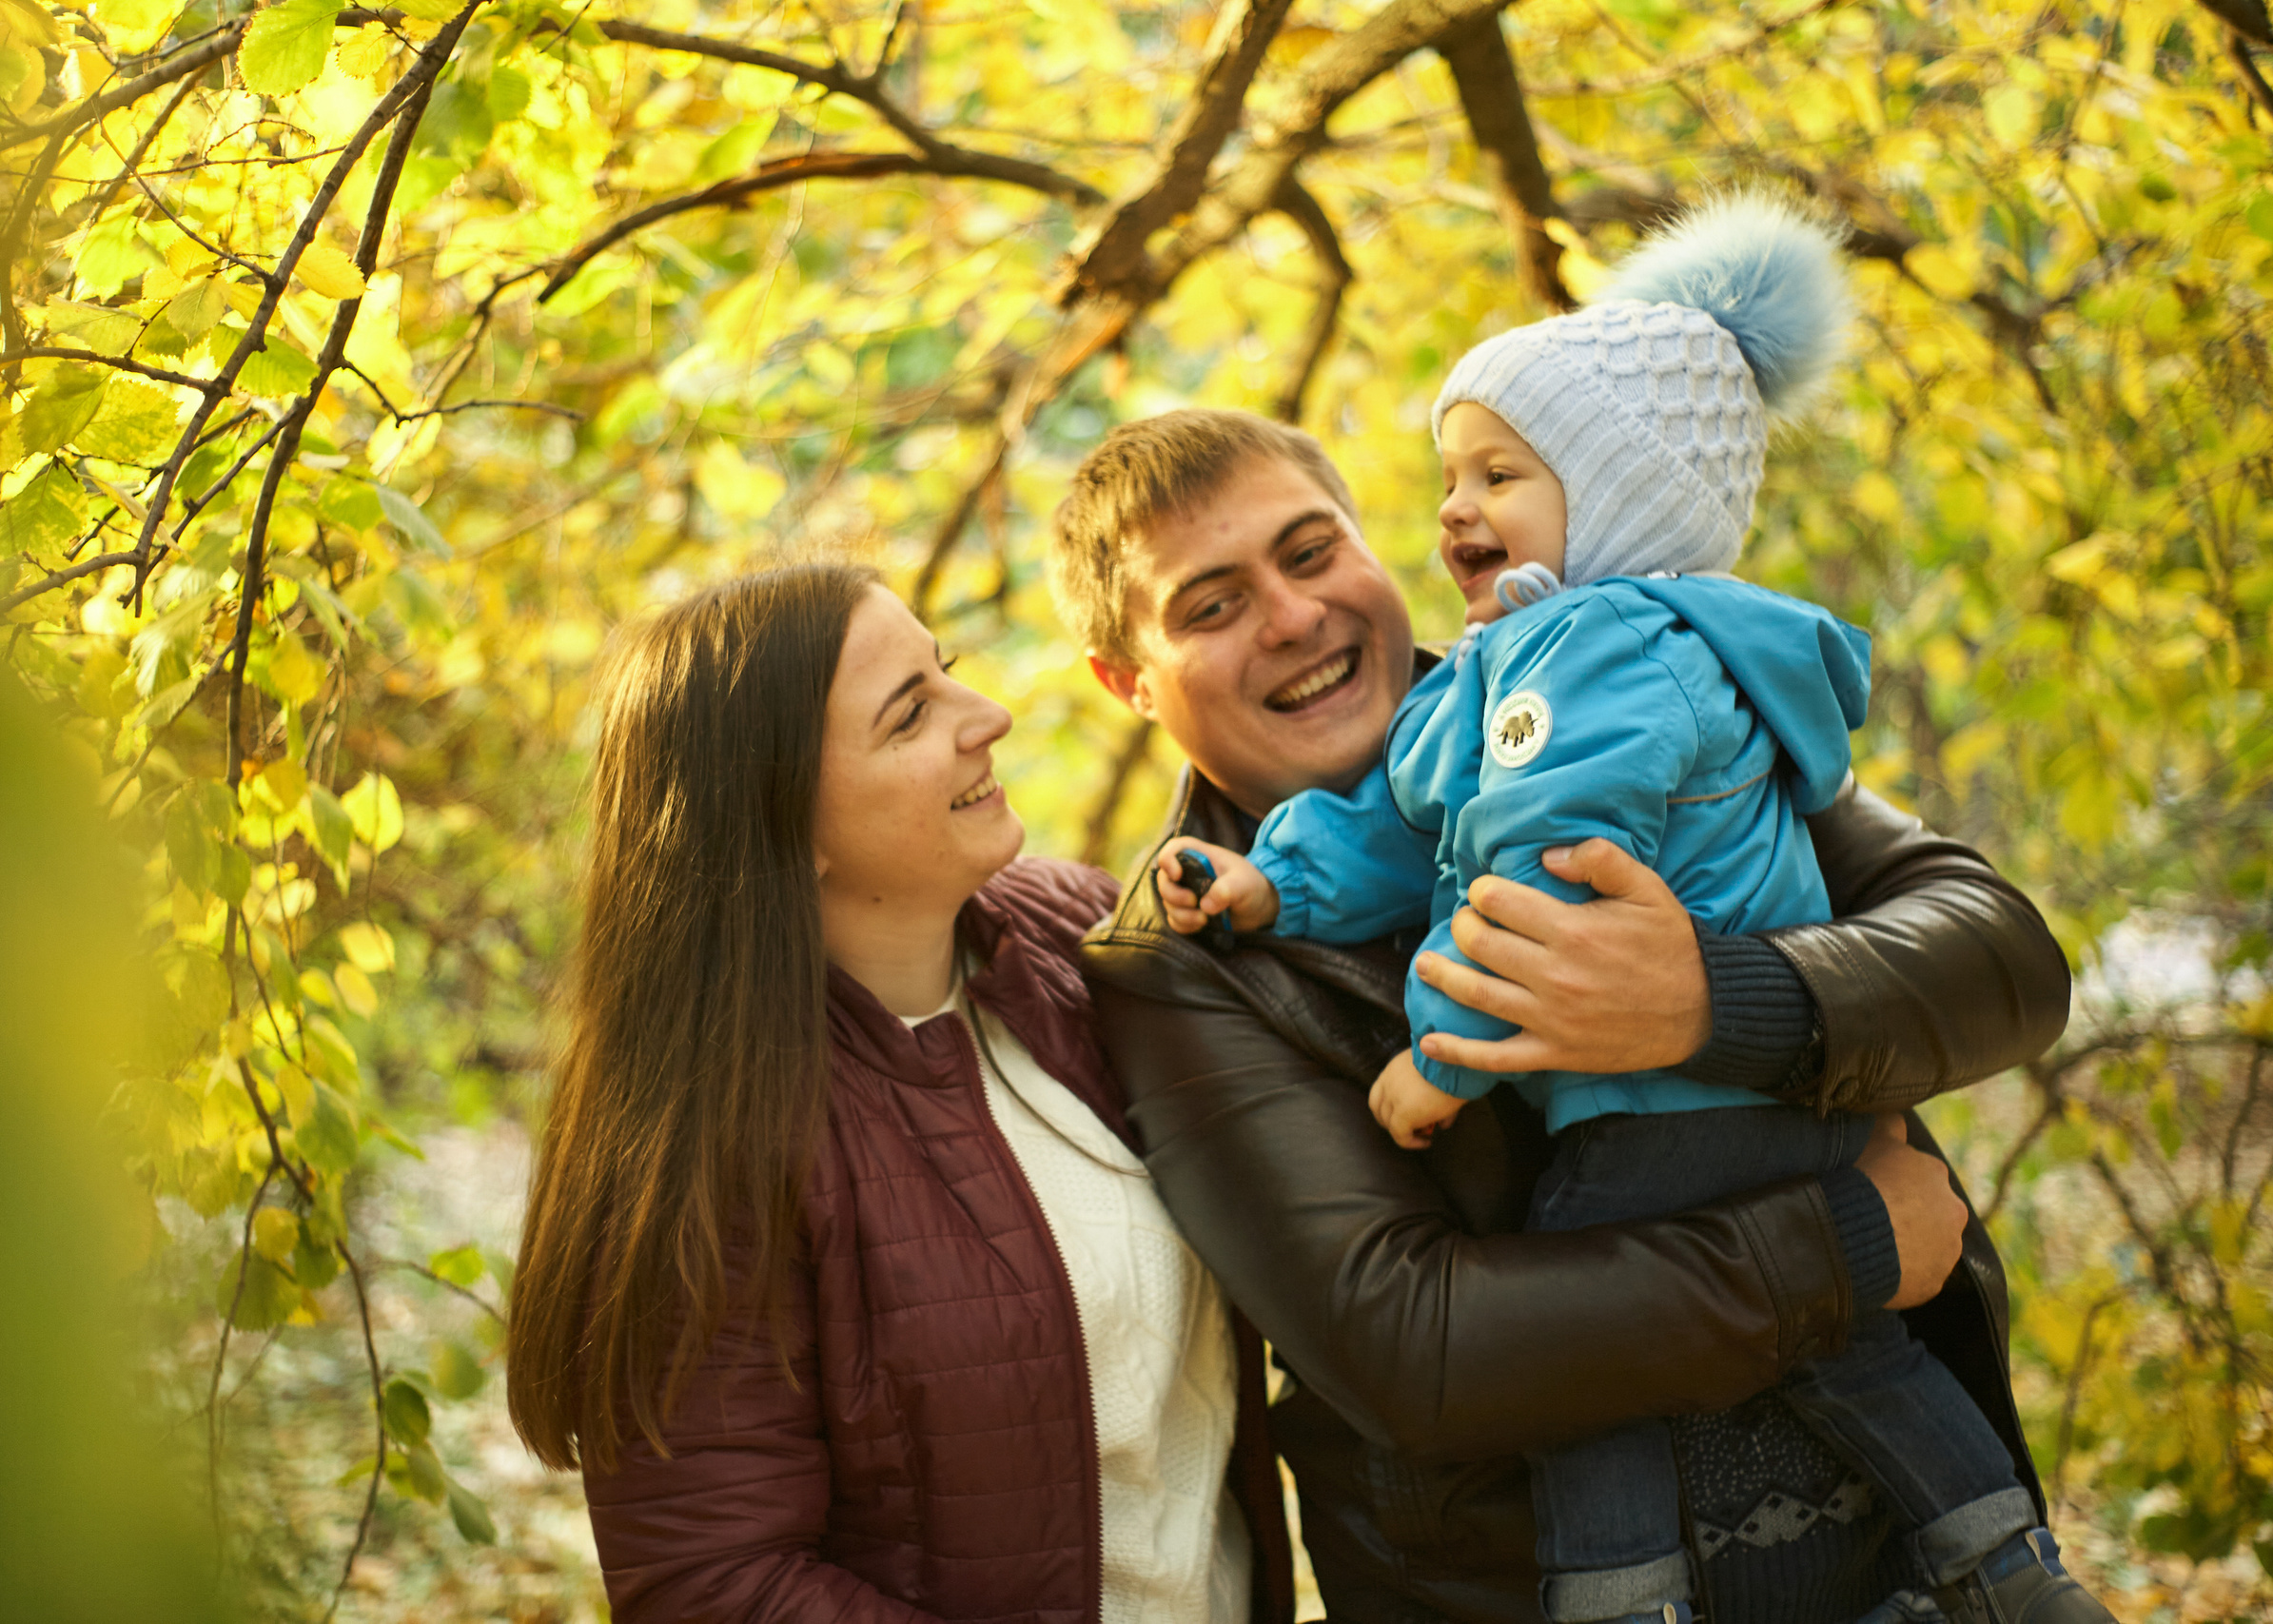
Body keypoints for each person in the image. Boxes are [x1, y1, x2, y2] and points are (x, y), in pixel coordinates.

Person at [1154, 199, 2106, 1624]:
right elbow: (1424, 1348)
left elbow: (2001, 955)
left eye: (1310, 551)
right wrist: (1849, 1238)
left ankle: (1998, 1573)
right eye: (1211, 602)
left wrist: (1715, 997)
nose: (1291, 618)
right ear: (1126, 675)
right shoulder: (1184, 962)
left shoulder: (1621, 690)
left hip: (1866, 1571)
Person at [502, 563, 1297, 1623]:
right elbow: (716, 1586)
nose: (991, 717)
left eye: (948, 673)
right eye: (910, 714)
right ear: (791, 829)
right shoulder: (711, 1149)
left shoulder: (1074, 936)